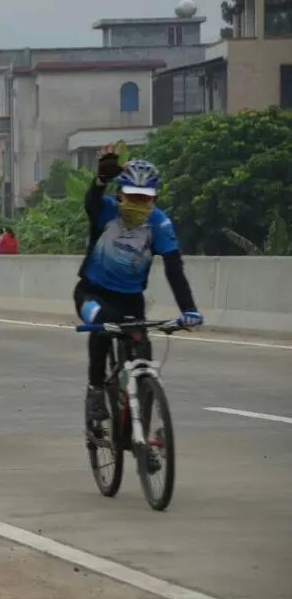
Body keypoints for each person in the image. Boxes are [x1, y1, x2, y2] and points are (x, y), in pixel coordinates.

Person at [74, 148, 203, 425]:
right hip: (93, 293)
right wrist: (100, 180)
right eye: (132, 196)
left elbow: (174, 268)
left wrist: (189, 309)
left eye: (145, 198)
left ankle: (140, 428)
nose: (138, 203)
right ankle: (96, 389)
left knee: (142, 354)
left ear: (154, 198)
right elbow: (91, 202)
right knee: (101, 326)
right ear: (120, 194)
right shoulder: (106, 211)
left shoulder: (159, 223)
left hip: (131, 300)